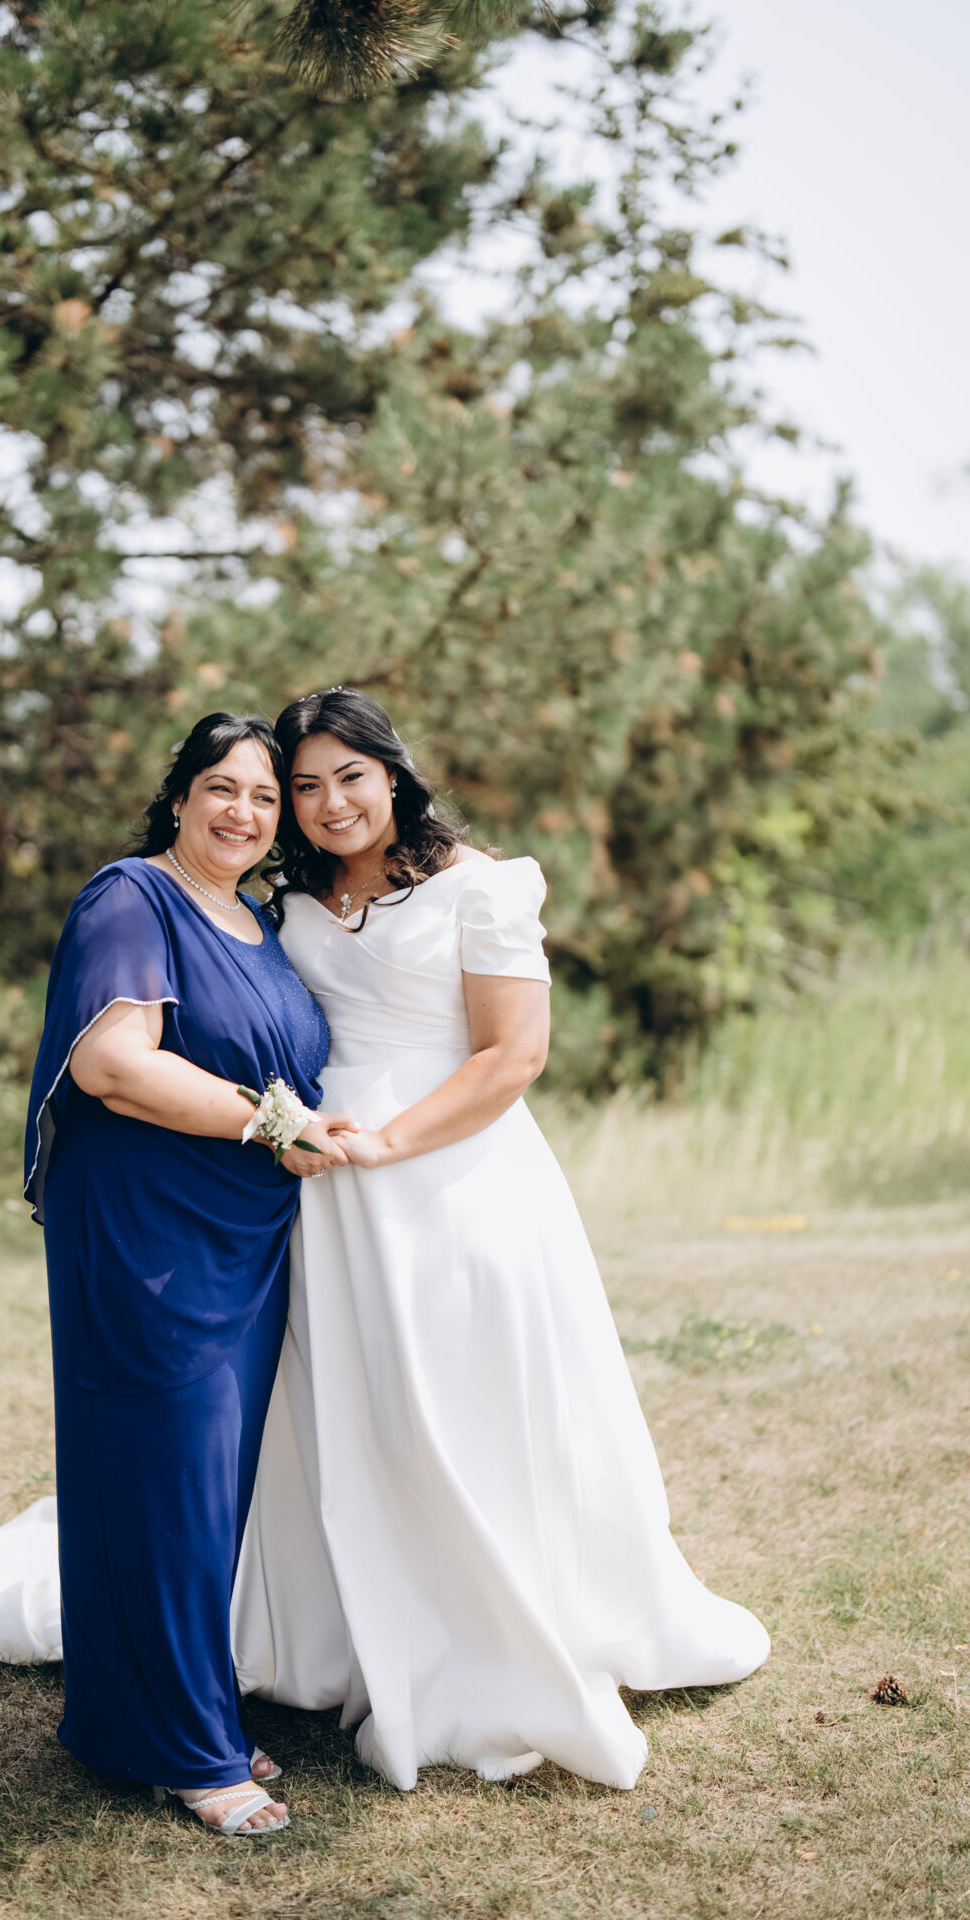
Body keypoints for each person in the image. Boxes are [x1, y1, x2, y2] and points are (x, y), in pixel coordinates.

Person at [230, 687, 771, 1792]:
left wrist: (391, 1141)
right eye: (305, 786)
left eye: (350, 777)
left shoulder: (480, 887)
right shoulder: (290, 899)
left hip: (451, 1172)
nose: (330, 803)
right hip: (328, 1183)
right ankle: (351, 1625)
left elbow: (512, 1054)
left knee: (466, 1394)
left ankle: (498, 1634)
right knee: (356, 1405)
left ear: (391, 772)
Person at [0, 713, 349, 1838]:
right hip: (144, 1233)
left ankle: (174, 1711)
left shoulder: (261, 922)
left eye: (264, 797)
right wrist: (275, 1124)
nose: (242, 812)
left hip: (244, 1233)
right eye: (220, 787)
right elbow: (113, 1066)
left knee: (207, 1489)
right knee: (165, 1479)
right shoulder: (132, 899)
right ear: (178, 797)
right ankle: (187, 1752)